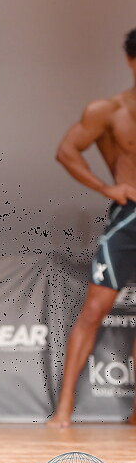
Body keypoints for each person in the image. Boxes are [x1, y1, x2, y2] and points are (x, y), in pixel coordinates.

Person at [48, 28, 136, 427]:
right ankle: (63, 409)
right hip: (127, 218)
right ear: (131, 61)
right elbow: (67, 151)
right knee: (93, 310)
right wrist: (106, 188)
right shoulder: (109, 110)